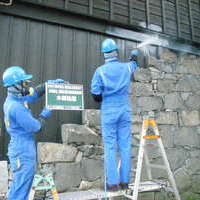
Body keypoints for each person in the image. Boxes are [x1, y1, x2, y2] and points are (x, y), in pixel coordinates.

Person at [2, 66, 64, 200]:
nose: (27, 85)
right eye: (24, 83)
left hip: (20, 148)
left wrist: (48, 85)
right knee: (20, 190)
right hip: (22, 152)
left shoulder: (15, 98)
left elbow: (34, 93)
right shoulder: (16, 107)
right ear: (15, 85)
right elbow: (36, 127)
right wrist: (45, 114)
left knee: (19, 187)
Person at [91, 38, 139, 191]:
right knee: (125, 146)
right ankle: (125, 182)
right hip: (124, 111)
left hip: (109, 112)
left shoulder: (100, 71)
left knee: (110, 147)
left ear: (104, 54)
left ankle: (112, 184)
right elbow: (134, 66)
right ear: (116, 52)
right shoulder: (126, 67)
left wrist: (106, 93)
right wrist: (134, 57)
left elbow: (96, 95)